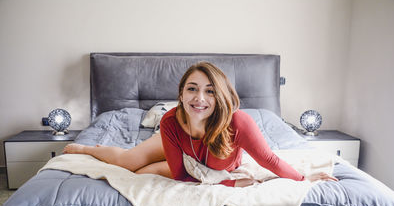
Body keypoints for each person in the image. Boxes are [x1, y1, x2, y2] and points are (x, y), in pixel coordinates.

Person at [63, 62, 338, 187]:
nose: (200, 98)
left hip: (203, 160)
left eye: (209, 91)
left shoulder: (239, 123)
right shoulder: (170, 120)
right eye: (192, 89)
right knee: (127, 165)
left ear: (220, 96)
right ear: (181, 94)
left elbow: (267, 159)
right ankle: (88, 150)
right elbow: (182, 176)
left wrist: (304, 179)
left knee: (141, 174)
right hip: (176, 144)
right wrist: (231, 186)